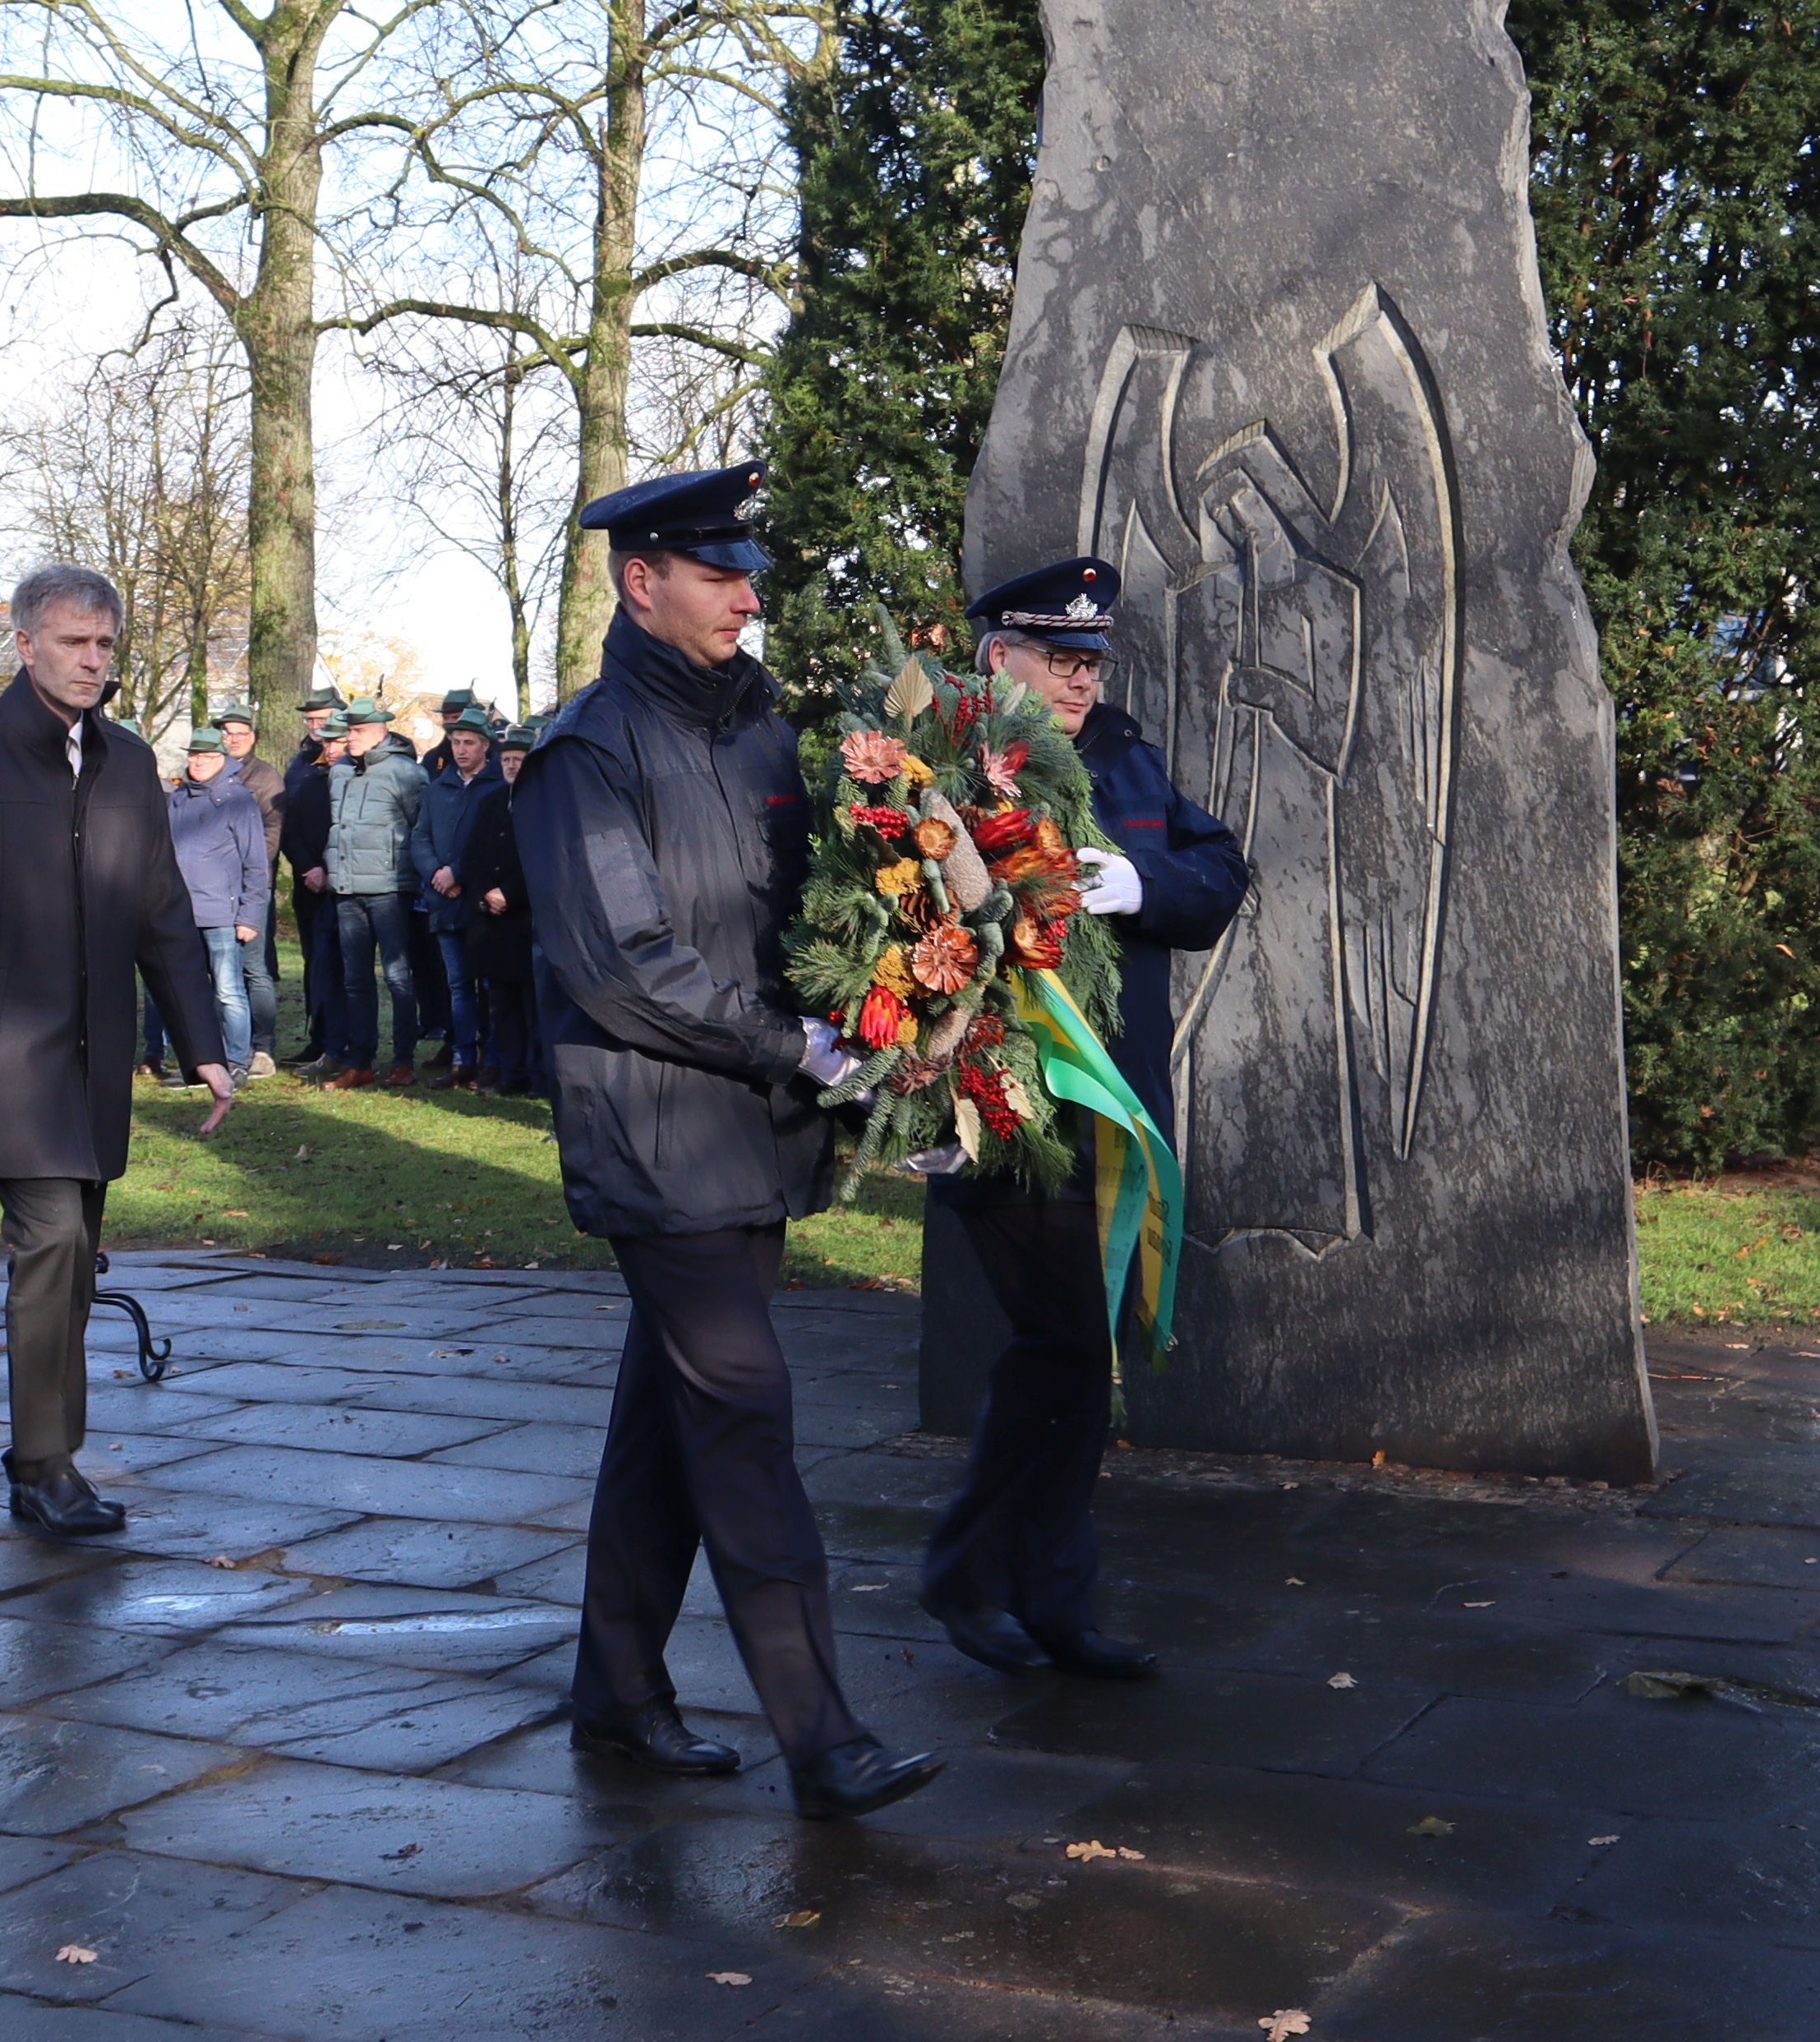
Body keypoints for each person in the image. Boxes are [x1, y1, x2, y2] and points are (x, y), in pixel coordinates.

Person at [518, 462, 938, 1820]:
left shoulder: (762, 732)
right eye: (719, 576)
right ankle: (822, 1735)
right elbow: (623, 965)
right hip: (659, 1135)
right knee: (744, 1418)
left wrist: (900, 1009)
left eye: (748, 577)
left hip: (754, 1130)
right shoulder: (589, 752)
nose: (748, 600)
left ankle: (616, 1689)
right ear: (641, 582)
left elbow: (808, 920)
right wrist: (795, 1048)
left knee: (670, 1420)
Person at [917, 555, 1252, 1681]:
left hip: (1116, 1104)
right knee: (1063, 1345)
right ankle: (983, 1575)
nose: (1080, 680)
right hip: (1007, 1101)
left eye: (1091, 660)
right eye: (1058, 658)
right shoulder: (943, 767)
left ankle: (1038, 1592)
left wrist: (1140, 882)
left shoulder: (1122, 753)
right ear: (995, 657)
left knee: (1071, 1357)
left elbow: (1219, 867)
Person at [0, 564, 234, 1536]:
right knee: (54, 1240)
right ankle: (43, 1464)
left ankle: (44, 1457)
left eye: (105, 644)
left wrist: (202, 1043)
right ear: (26, 644)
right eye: (74, 642)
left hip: (93, 1054)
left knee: (74, 1257)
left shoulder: (128, 761)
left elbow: (163, 911)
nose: (92, 660)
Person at [311, 694, 426, 1081]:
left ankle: (403, 1060)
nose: (350, 737)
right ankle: (360, 1062)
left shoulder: (406, 773)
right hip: (347, 890)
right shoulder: (342, 772)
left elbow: (421, 827)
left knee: (397, 976)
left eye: (358, 730)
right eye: (348, 731)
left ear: (380, 731)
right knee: (355, 979)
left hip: (390, 889)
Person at [160, 721, 273, 1085]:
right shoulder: (177, 800)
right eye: (194, 755)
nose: (199, 762)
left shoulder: (238, 801)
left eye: (208, 756)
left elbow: (256, 863)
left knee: (228, 992)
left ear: (223, 759)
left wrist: (250, 916)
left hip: (223, 914)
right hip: (180, 914)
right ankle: (195, 1062)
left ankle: (236, 1060)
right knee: (188, 993)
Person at [413, 703, 504, 1083]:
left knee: (491, 984)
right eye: (455, 742)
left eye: (469, 742)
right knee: (458, 985)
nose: (461, 750)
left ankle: (494, 1059)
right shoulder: (439, 788)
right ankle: (462, 1058)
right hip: (444, 901)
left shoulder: (498, 786)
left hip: (482, 903)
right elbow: (419, 836)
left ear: (485, 745)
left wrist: (459, 873)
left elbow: (494, 843)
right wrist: (436, 872)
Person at [455, 721, 539, 1094]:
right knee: (501, 1005)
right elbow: (471, 855)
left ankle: (537, 1077)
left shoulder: (545, 804)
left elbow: (544, 859)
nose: (511, 766)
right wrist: (485, 894)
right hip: (492, 922)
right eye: (506, 760)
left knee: (532, 1006)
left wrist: (509, 893)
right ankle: (510, 1073)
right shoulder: (490, 802)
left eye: (518, 759)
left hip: (527, 920)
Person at [274, 687, 341, 1063]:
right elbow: (288, 823)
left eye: (323, 719)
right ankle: (317, 1036)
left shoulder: (351, 764)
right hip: (308, 881)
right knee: (313, 960)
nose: (316, 726)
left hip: (345, 879)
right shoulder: (299, 764)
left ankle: (341, 1041)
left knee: (339, 964)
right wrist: (306, 868)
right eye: (310, 720)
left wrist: (330, 869)